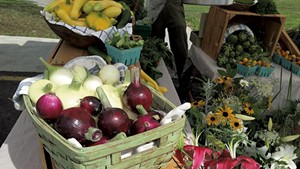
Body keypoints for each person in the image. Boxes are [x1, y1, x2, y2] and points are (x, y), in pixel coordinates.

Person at [146, 0, 189, 101]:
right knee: (154, 48)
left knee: (180, 48)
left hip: (173, 3)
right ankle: (155, 86)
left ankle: (184, 86)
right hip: (154, 5)